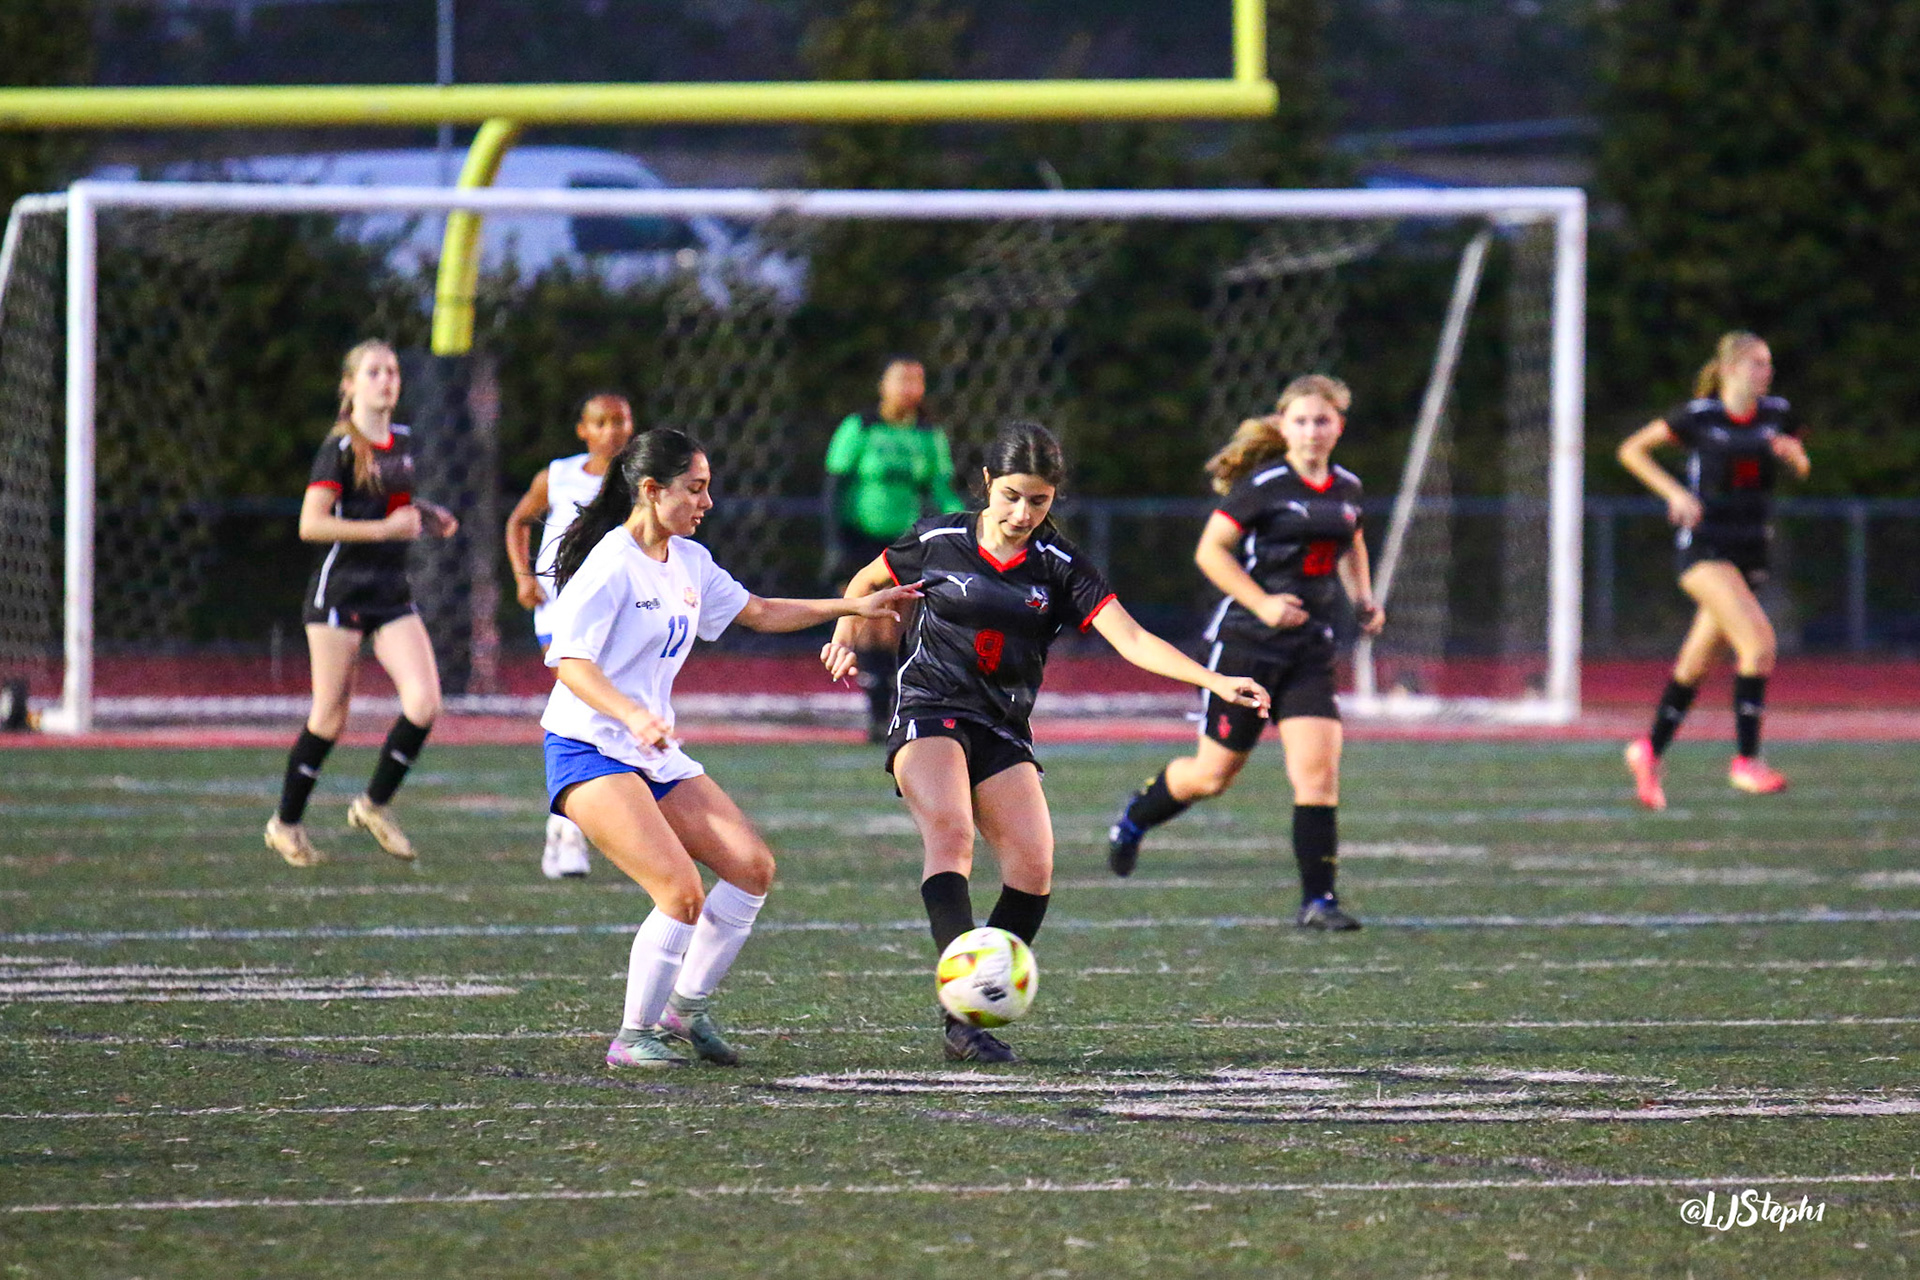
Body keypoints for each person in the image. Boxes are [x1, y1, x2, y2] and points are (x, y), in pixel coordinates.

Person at [823, 421, 1270, 1063]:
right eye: (1010, 496)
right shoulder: (938, 540)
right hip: (929, 707)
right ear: (986, 483)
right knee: (951, 834)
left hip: (1003, 724)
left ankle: (966, 1014)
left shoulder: (1060, 566)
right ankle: (962, 1005)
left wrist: (1216, 680)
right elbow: (865, 584)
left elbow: (1132, 639)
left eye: (1038, 500)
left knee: (1033, 870)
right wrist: (844, 635)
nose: (1021, 514)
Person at [543, 428, 921, 1068]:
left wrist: (855, 606)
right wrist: (631, 713)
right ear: (651, 490)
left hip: (651, 750)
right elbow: (569, 663)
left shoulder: (688, 560)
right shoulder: (610, 563)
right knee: (679, 891)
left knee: (750, 867)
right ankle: (632, 1036)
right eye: (695, 489)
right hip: (588, 747)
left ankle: (684, 1009)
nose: (707, 502)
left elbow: (761, 611)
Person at [1104, 376, 1385, 932]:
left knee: (1318, 775)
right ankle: (1136, 816)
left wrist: (1363, 599)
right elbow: (1211, 551)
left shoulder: (1348, 487)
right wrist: (1262, 604)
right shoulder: (1264, 486)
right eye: (1301, 420)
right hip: (1246, 648)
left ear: (1339, 426)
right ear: (1283, 426)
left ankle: (1319, 901)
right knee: (1212, 776)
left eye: (1322, 420)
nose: (1311, 431)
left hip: (1310, 649)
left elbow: (1351, 541)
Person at [266, 339, 459, 868]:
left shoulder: (403, 440)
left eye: (392, 371)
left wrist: (426, 513)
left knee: (424, 703)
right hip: (341, 592)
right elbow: (311, 524)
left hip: (389, 592)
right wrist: (384, 530)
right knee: (329, 717)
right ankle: (285, 824)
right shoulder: (340, 447)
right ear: (349, 386)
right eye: (373, 372)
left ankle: (373, 805)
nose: (386, 380)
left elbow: (388, 503)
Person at [1617, 331, 1810, 808]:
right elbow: (1632, 450)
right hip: (1705, 550)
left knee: (1694, 665)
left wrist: (1796, 458)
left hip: (1751, 552)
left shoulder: (1778, 413)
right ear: (1729, 370)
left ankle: (1648, 751)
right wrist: (1675, 494)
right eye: (1757, 363)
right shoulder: (1699, 417)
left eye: (1768, 363)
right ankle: (1746, 761)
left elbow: (1801, 464)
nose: (1766, 372)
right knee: (1758, 645)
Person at [504, 392, 636, 879]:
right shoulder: (557, 476)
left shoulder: (638, 480)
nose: (611, 431)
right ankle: (567, 831)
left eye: (620, 421)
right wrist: (523, 576)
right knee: (581, 703)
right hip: (560, 610)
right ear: (583, 430)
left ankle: (567, 826)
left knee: (598, 712)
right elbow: (519, 521)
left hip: (615, 610)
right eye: (600, 422)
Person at [822, 357, 967, 740]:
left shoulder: (927, 434)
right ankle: (876, 711)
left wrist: (965, 526)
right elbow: (835, 486)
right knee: (866, 626)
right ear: (883, 385)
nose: (909, 388)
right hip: (859, 539)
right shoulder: (861, 427)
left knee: (895, 629)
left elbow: (941, 489)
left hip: (905, 543)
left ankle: (892, 711)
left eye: (916, 380)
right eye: (901, 380)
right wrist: (835, 543)